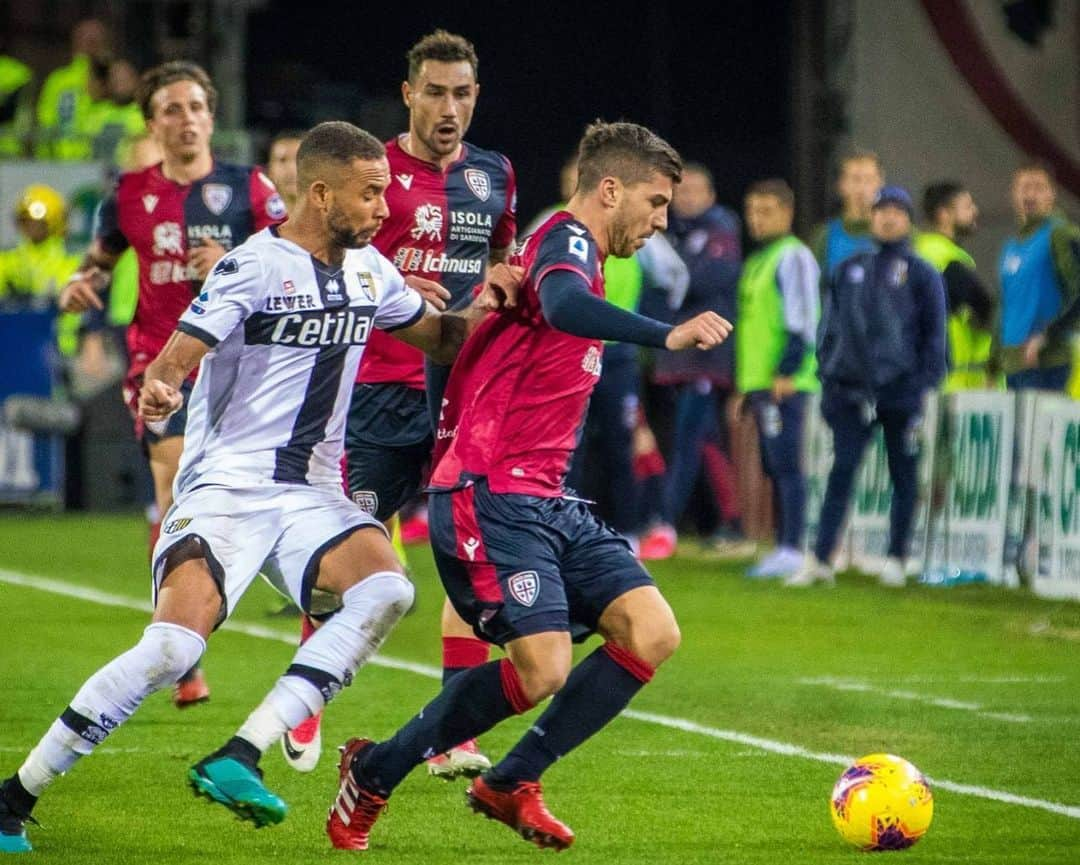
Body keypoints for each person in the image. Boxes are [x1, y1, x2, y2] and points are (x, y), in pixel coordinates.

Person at [0, 120, 507, 854]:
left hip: (310, 495)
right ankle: (14, 797)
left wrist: (501, 307)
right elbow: (180, 353)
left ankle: (241, 751)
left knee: (389, 589)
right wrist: (161, 390)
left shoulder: (371, 272)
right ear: (324, 192)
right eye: (370, 195)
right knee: (172, 650)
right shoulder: (253, 266)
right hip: (226, 492)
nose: (384, 209)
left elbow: (444, 337)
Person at [325, 120, 731, 853]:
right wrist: (665, 334)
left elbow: (464, 348)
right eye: (656, 201)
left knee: (652, 631)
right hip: (490, 495)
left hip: (544, 499)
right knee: (542, 666)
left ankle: (510, 780)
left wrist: (448, 406)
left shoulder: (552, 261)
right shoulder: (566, 240)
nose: (663, 219)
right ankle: (377, 770)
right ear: (610, 189)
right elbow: (571, 308)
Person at [57, 60, 287, 708]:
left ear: (212, 117)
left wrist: (235, 261)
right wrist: (84, 283)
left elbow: (297, 265)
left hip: (240, 372)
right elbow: (98, 261)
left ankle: (185, 617)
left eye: (195, 107)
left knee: (211, 499)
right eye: (171, 110)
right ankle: (180, 648)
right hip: (159, 368)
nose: (185, 120)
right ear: (153, 123)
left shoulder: (253, 189)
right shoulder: (128, 193)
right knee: (175, 478)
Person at [339, 29, 516, 781]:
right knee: (348, 566)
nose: (450, 108)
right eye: (436, 93)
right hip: (378, 388)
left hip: (462, 393)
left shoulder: (495, 173)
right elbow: (337, 254)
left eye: (463, 94)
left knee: (469, 560)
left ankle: (454, 729)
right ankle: (309, 701)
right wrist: (395, 291)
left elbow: (505, 257)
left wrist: (501, 293)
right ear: (409, 93)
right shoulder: (373, 173)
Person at [788, 186, 946, 589]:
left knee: (903, 475)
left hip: (900, 392)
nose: (888, 218)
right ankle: (821, 559)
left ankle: (897, 557)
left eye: (896, 211)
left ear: (908, 219)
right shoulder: (849, 268)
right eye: (881, 211)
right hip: (849, 391)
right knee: (840, 472)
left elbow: (934, 336)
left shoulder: (923, 273)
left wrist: (923, 385)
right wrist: (827, 375)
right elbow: (828, 326)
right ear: (871, 218)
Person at [640, 162, 748, 560]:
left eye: (694, 191)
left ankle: (665, 522)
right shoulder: (670, 235)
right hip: (678, 357)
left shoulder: (720, 231)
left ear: (711, 196)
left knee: (688, 438)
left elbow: (700, 280)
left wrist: (670, 273)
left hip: (708, 357)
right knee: (704, 442)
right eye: (680, 192)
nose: (686, 199)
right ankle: (732, 523)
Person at [737, 180, 819, 579]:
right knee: (773, 464)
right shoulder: (757, 261)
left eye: (766, 210)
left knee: (788, 464)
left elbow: (802, 322)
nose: (757, 218)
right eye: (753, 210)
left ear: (787, 212)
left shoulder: (794, 256)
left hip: (785, 382)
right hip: (760, 382)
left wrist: (786, 371)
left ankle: (793, 547)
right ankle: (782, 544)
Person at [996, 163, 1080, 392]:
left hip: (1048, 361)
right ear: (1013, 194)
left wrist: (1048, 335)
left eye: (1038, 187)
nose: (1030, 194)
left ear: (1052, 194)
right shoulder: (1011, 247)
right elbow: (1004, 306)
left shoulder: (1061, 234)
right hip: (1013, 363)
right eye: (1024, 187)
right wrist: (992, 364)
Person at [914, 181, 998, 391]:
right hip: (957, 381)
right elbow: (986, 307)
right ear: (944, 214)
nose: (975, 211)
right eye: (967, 206)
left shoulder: (921, 251)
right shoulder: (944, 257)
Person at [34, 18, 111, 160]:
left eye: (95, 39)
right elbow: (46, 123)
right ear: (75, 42)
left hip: (106, 162)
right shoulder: (58, 80)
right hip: (64, 162)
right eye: (86, 38)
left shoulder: (115, 77)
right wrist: (44, 160)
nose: (91, 44)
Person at [809, 150, 883, 278]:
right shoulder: (824, 237)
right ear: (841, 185)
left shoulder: (901, 235)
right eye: (855, 179)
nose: (862, 188)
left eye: (869, 180)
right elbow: (813, 290)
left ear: (880, 183)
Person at [266, 130, 303, 213]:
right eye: (282, 160)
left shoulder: (334, 221)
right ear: (270, 170)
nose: (292, 169)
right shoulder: (254, 222)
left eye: (300, 159)